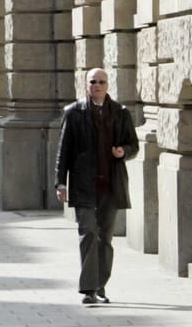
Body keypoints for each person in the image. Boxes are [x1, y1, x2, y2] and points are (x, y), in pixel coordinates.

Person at [55, 67, 139, 306]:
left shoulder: (120, 112)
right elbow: (63, 151)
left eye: (101, 81)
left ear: (107, 85)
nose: (97, 85)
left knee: (106, 238)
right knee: (88, 233)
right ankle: (89, 289)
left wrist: (124, 152)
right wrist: (60, 181)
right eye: (93, 81)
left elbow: (133, 144)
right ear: (86, 85)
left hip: (111, 186)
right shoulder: (73, 113)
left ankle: (101, 284)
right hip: (83, 184)